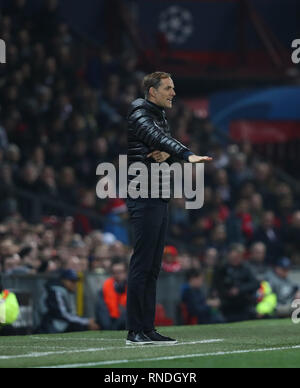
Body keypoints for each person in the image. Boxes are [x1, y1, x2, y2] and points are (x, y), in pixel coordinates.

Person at [126, 71, 212, 344]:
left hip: (158, 194)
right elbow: (158, 139)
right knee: (142, 264)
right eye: (168, 88)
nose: (173, 93)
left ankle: (147, 328)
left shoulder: (159, 117)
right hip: (144, 194)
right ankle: (134, 331)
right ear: (152, 92)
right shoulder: (140, 114)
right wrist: (185, 154)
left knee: (153, 266)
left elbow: (164, 152)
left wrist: (171, 156)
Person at [37, 269, 99, 333]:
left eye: (75, 281)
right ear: (63, 280)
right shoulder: (56, 291)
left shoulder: (65, 291)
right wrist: (86, 321)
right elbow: (62, 314)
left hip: (58, 323)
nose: (74, 284)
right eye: (72, 281)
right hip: (50, 325)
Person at [214, 243, 259, 322]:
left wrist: (239, 289)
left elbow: (255, 283)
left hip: (243, 305)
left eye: (238, 257)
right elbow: (217, 285)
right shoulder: (222, 269)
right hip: (227, 306)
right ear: (229, 256)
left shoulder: (245, 268)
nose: (235, 259)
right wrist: (227, 292)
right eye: (233, 257)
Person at [95, 258, 127, 330]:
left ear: (126, 272)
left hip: (125, 324)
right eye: (115, 272)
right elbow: (102, 309)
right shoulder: (106, 286)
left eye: (120, 272)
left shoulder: (132, 287)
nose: (118, 275)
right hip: (110, 322)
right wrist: (109, 327)